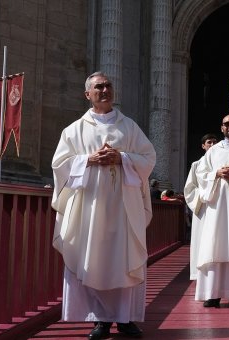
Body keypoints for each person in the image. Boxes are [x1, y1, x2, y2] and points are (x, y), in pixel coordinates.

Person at [51, 71, 156, 340]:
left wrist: (122, 158)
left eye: (108, 85)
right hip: (90, 207)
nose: (105, 90)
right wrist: (89, 160)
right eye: (99, 87)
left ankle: (125, 318)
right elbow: (59, 165)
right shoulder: (74, 130)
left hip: (123, 208)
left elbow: (148, 157)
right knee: (92, 259)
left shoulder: (129, 127)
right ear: (88, 94)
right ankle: (100, 320)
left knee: (123, 260)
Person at [194, 115, 229, 308]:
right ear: (222, 127)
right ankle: (212, 293)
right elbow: (200, 174)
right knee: (214, 246)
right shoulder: (213, 151)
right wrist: (216, 173)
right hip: (217, 207)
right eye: (227, 124)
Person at [184, 133, 218, 281]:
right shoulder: (196, 165)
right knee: (202, 241)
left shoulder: (222, 163)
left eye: (214, 142)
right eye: (209, 142)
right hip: (203, 208)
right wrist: (204, 195)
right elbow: (190, 189)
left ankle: (218, 275)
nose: (212, 145)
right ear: (203, 146)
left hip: (219, 207)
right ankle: (201, 275)